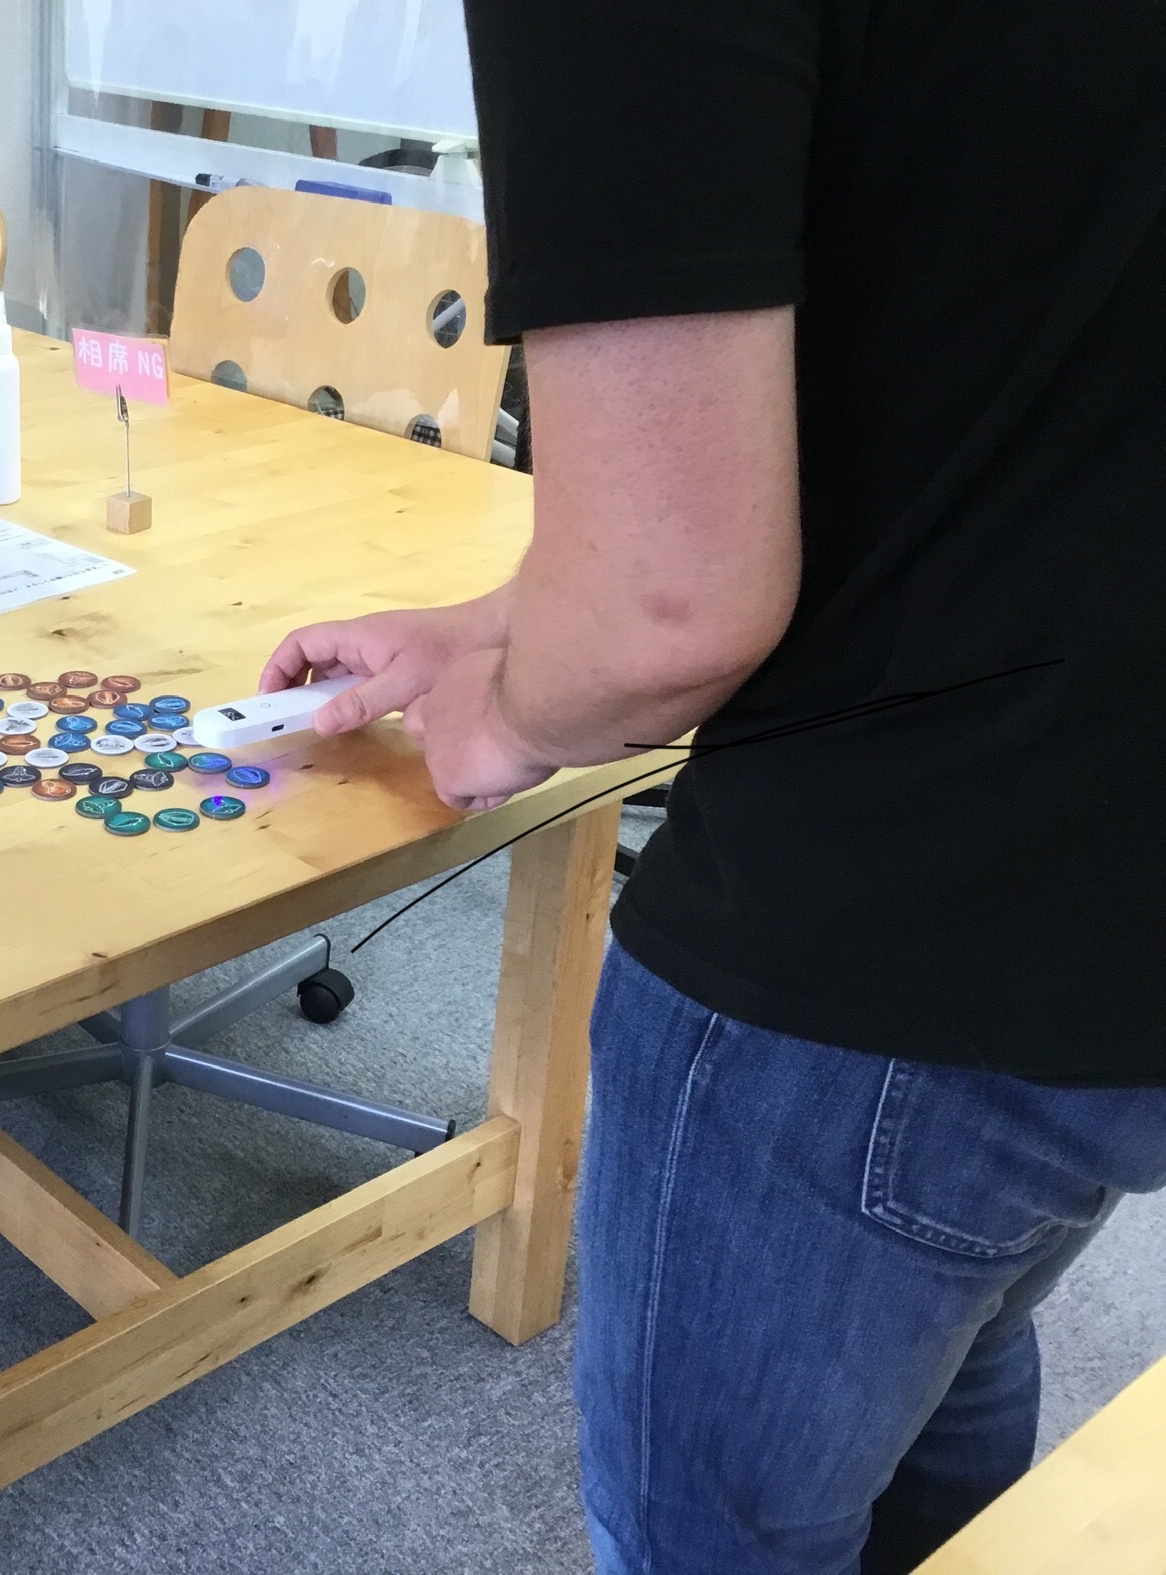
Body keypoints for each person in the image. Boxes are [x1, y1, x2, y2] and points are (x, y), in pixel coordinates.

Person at [261, 4, 1166, 1570]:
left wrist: (510, 719)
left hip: (885, 935)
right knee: (953, 1335)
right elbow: (973, 346)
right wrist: (498, 625)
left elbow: (663, 617)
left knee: (717, 1527)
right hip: (1105, 863)